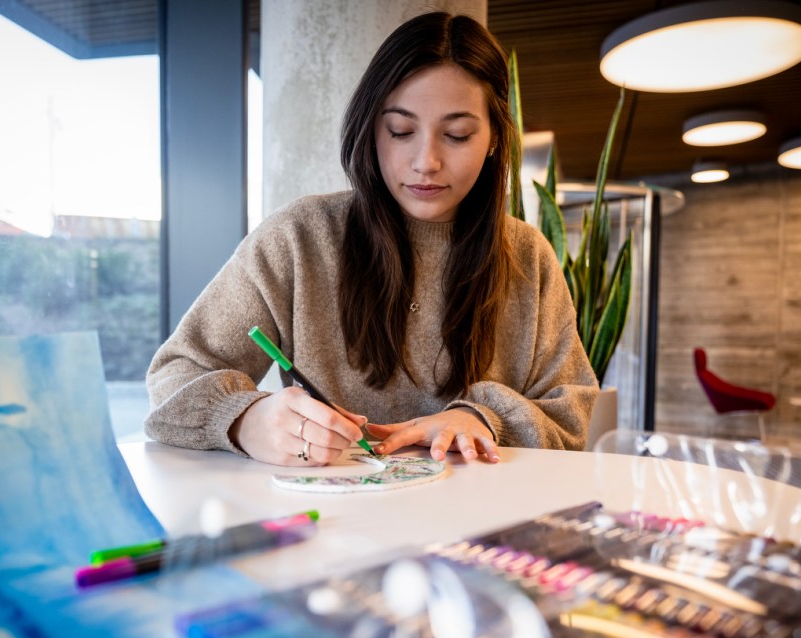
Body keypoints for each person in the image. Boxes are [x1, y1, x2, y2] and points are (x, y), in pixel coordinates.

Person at [145, 12, 598, 467]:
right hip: (334, 520)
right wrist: (247, 418)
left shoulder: (527, 256)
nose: (427, 161)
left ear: (495, 137)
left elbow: (571, 412)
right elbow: (174, 376)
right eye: (400, 131)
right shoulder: (299, 238)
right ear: (370, 130)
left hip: (487, 526)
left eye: (457, 135)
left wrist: (485, 419)